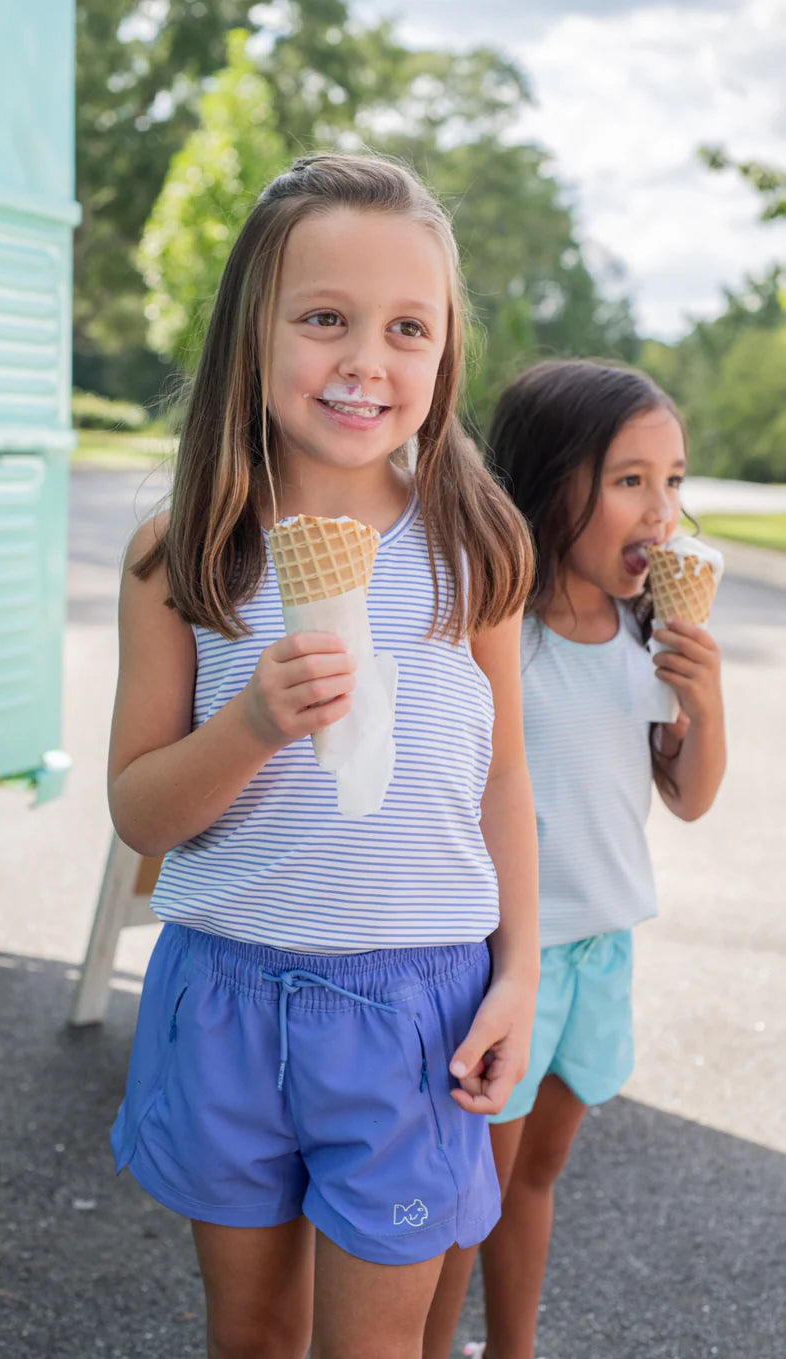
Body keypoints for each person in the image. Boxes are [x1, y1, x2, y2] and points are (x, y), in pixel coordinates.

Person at [107, 152, 540, 1359]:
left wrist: (519, 974)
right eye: (324, 319)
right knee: (249, 1334)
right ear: (255, 331)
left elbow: (502, 779)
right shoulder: (179, 554)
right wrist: (251, 724)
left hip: (415, 1007)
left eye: (408, 327)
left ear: (446, 353)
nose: (366, 360)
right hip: (226, 995)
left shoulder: (477, 547)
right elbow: (141, 814)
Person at [424, 358, 726, 1359]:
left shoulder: (650, 636)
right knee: (475, 1189)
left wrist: (705, 700)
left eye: (674, 480)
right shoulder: (498, 628)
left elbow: (688, 797)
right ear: (553, 482)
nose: (663, 509)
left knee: (537, 1175)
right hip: (514, 960)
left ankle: (511, 1349)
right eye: (630, 479)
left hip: (604, 950)